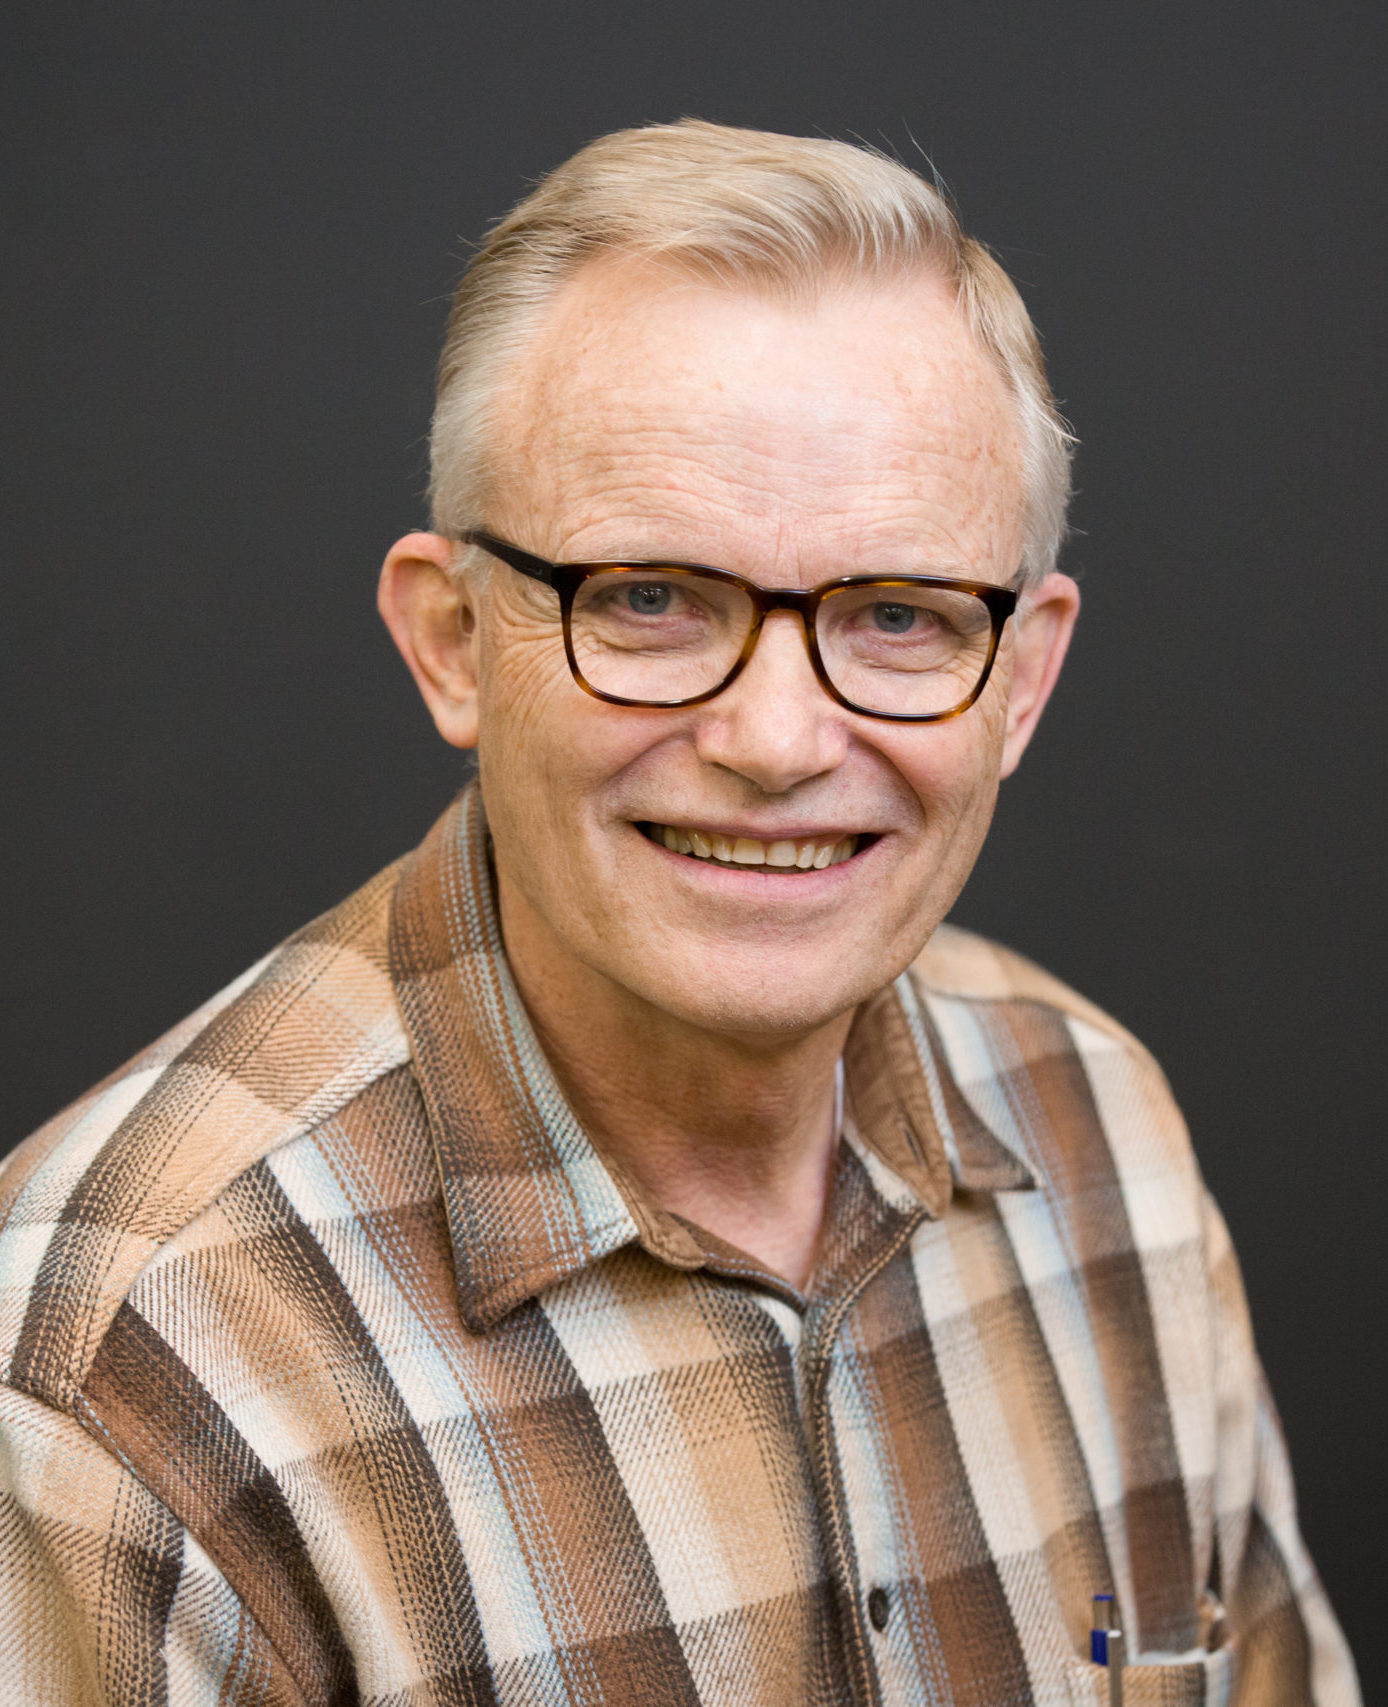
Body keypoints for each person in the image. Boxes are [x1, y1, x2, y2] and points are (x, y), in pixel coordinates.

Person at [0, 120, 1358, 1706]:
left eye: (900, 615)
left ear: (1024, 680)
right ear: (451, 641)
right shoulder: (117, 1378)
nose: (776, 742)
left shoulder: (1104, 1138)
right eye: (650, 598)